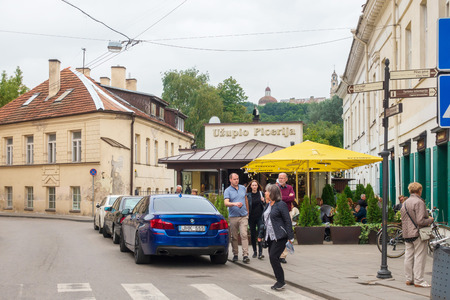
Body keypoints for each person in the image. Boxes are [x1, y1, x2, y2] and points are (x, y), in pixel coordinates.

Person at [258, 184, 294, 291]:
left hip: (280, 236)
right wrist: (261, 235)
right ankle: (279, 280)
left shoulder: (281, 205)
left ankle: (281, 281)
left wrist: (290, 237)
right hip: (270, 237)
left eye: (267, 191)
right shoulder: (268, 205)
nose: (265, 193)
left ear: (272, 193)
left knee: (273, 257)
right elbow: (265, 222)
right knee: (273, 258)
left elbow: (287, 221)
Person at [400, 182, 434, 288]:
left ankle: (409, 279)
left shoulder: (405, 203)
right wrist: (430, 220)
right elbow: (420, 221)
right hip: (417, 233)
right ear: (419, 190)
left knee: (408, 256)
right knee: (419, 256)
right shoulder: (419, 202)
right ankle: (419, 280)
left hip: (406, 233)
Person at [224, 173, 250, 263]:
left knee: (244, 234)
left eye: (237, 179)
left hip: (243, 216)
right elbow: (226, 203)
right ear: (230, 180)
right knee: (234, 236)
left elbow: (246, 199)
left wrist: (247, 211)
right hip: (233, 217)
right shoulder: (227, 190)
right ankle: (235, 254)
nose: (236, 180)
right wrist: (234, 204)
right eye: (234, 179)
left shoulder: (243, 188)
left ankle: (245, 255)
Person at [276, 172, 295, 264]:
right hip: (277, 213)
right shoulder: (276, 188)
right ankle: (277, 253)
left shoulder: (290, 188)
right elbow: (275, 198)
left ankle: (283, 255)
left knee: (288, 232)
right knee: (279, 232)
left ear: (286, 179)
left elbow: (292, 198)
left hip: (288, 212)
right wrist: (287, 197)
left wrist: (281, 198)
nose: (281, 180)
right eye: (279, 178)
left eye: (282, 178)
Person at [246, 180, 266, 259]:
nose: (254, 187)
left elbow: (265, 205)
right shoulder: (248, 195)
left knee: (260, 233)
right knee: (253, 234)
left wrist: (263, 201)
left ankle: (260, 253)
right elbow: (247, 206)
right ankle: (255, 251)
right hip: (251, 217)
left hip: (260, 216)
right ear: (250, 186)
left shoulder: (261, 194)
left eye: (255, 185)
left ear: (258, 186)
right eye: (253, 185)